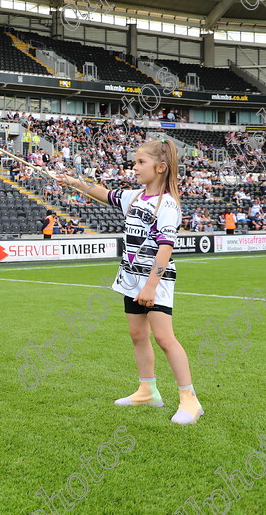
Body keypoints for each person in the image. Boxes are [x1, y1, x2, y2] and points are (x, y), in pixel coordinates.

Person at [57, 139, 203, 425]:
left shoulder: (168, 205)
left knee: (164, 338)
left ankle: (190, 399)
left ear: (160, 168)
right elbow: (104, 194)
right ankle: (147, 390)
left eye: (140, 162)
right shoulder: (134, 196)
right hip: (130, 278)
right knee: (138, 336)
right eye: (134, 162)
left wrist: (150, 286)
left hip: (155, 281)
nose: (134, 167)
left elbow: (165, 248)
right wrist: (72, 181)